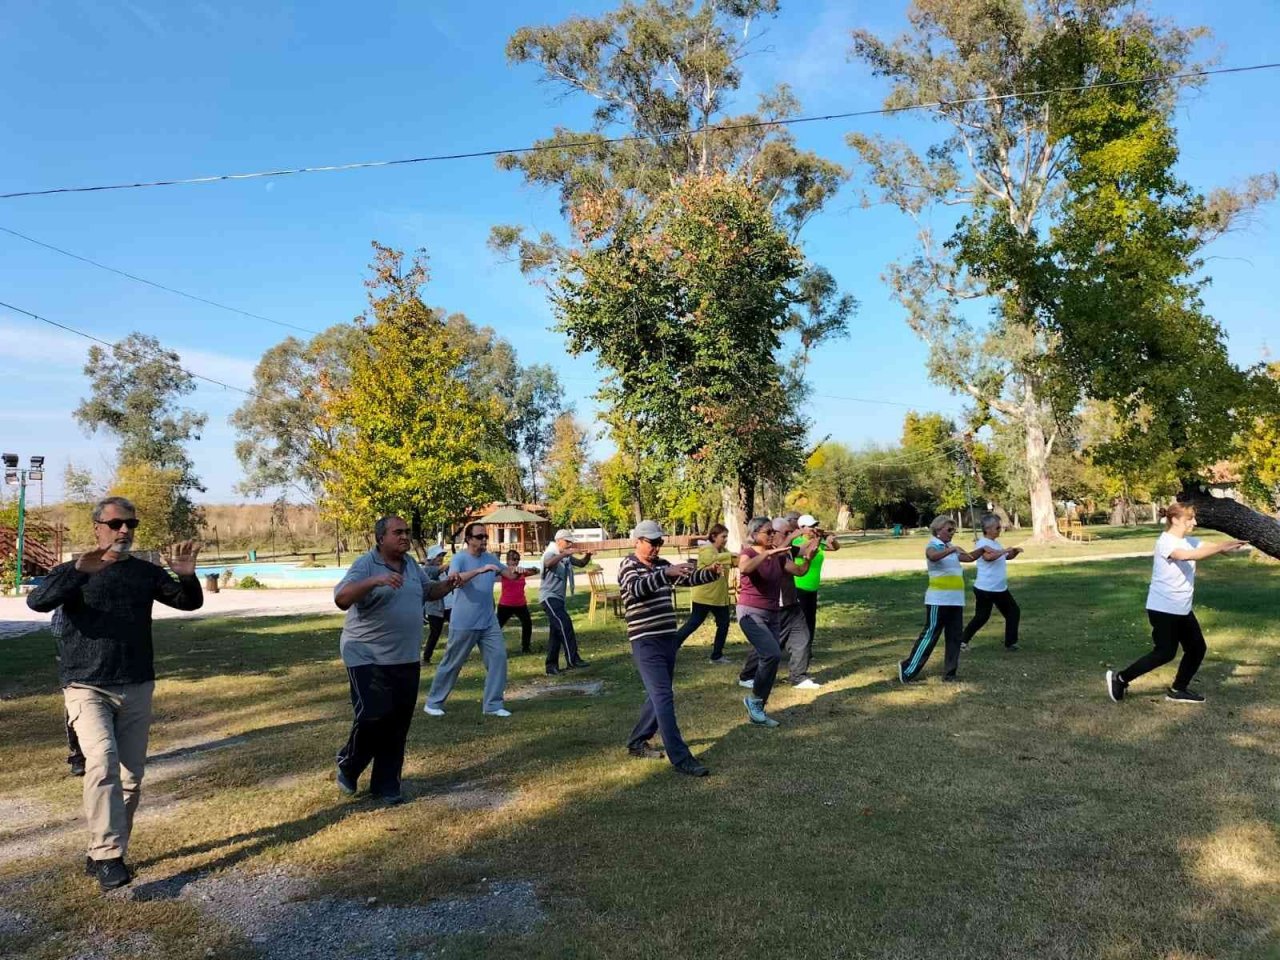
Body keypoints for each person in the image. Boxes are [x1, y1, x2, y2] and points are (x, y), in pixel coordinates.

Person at [26, 496, 203, 892]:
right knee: (102, 761)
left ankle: (101, 849)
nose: (124, 530)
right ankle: (109, 856)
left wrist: (187, 577)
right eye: (116, 523)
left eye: (131, 524)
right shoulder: (75, 569)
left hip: (137, 683)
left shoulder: (143, 572)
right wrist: (76, 571)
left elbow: (187, 602)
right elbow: (38, 602)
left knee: (131, 779)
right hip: (86, 684)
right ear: (97, 528)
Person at [334, 516, 456, 804]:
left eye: (407, 532)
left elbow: (428, 592)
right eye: (397, 532)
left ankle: (387, 785)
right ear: (380, 538)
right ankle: (349, 765)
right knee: (375, 713)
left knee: (398, 721)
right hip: (365, 653)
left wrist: (449, 584)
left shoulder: (412, 564)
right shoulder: (366, 564)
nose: (404, 537)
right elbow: (341, 599)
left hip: (404, 656)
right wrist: (375, 579)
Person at [1106, 503, 1246, 704]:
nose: (1194, 523)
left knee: (1197, 648)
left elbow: (1204, 548)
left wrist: (1230, 545)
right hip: (1163, 608)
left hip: (1182, 608)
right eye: (1190, 519)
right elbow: (1188, 555)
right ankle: (1120, 678)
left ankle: (1178, 689)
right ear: (1175, 520)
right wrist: (1219, 547)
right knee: (1164, 653)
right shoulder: (1166, 542)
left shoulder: (1188, 541)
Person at [619, 520, 723, 776]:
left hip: (668, 640)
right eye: (652, 542)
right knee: (663, 696)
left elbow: (688, 579)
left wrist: (710, 573)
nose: (657, 547)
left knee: (658, 695)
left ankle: (637, 742)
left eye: (660, 542)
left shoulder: (663, 566)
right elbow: (636, 589)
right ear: (638, 541)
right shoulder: (629, 565)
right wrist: (666, 574)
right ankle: (680, 757)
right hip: (645, 641)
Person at [424, 523, 523, 718]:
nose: (483, 540)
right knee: (452, 663)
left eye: (485, 536)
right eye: (479, 537)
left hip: (488, 621)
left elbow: (509, 575)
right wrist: (479, 571)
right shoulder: (460, 558)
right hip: (464, 622)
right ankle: (433, 703)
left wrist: (519, 571)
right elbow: (454, 580)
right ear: (468, 539)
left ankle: (493, 705)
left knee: (498, 659)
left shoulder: (490, 558)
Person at [733, 517, 810, 727]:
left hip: (772, 614)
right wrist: (766, 554)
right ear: (755, 533)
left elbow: (800, 571)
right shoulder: (748, 553)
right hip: (750, 613)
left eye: (772, 533)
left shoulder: (778, 556)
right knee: (772, 653)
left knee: (772, 659)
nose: (772, 536)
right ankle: (754, 701)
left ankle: (757, 705)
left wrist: (809, 557)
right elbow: (746, 569)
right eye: (768, 532)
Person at [899, 515, 979, 684]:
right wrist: (952, 549)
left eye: (954, 530)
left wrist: (982, 548)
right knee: (930, 636)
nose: (952, 533)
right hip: (938, 600)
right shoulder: (933, 545)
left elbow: (969, 558)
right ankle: (907, 669)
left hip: (955, 601)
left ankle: (950, 674)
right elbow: (933, 556)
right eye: (949, 530)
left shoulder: (949, 546)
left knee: (954, 638)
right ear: (938, 530)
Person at [674, 523, 735, 663]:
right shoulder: (706, 549)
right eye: (723, 536)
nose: (725, 539)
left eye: (726, 536)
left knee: (724, 624)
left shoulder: (723, 550)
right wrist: (733, 555)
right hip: (704, 596)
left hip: (719, 597)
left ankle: (717, 655)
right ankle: (672, 646)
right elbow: (715, 560)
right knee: (693, 624)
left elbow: (733, 559)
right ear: (713, 536)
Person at [961, 515, 1023, 651]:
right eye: (997, 527)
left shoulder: (996, 543)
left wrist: (1014, 552)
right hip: (986, 589)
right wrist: (1004, 550)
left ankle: (1010, 643)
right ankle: (962, 641)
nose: (1000, 529)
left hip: (1000, 588)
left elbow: (1006, 557)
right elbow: (988, 557)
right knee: (982, 617)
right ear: (987, 529)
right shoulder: (982, 544)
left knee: (1013, 612)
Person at [539, 529, 593, 675]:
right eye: (567, 541)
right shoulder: (550, 552)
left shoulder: (565, 556)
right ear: (559, 541)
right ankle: (573, 659)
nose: (570, 544)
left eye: (571, 542)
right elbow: (548, 563)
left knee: (556, 632)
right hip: (549, 597)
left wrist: (588, 555)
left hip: (559, 598)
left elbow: (581, 563)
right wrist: (564, 554)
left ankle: (551, 667)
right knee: (565, 624)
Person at [792, 514, 840, 663]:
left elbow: (835, 548)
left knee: (811, 620)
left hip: (813, 588)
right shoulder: (797, 541)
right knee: (802, 622)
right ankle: (799, 651)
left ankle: (808, 650)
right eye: (811, 526)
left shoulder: (817, 541)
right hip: (799, 586)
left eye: (815, 526)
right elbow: (806, 551)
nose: (814, 529)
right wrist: (818, 538)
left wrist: (832, 539)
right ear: (801, 528)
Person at [497, 549, 537, 654]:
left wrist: (530, 569)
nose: (516, 562)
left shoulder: (521, 571)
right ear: (508, 560)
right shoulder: (505, 571)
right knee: (496, 627)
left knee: (527, 624)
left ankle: (526, 647)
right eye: (513, 559)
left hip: (520, 604)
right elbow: (506, 573)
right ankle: (494, 648)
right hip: (505, 604)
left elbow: (536, 570)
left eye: (518, 559)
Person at [421, 545, 450, 665]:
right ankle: (426, 658)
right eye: (439, 556)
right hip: (435, 608)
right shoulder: (427, 570)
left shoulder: (441, 569)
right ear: (432, 557)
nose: (441, 558)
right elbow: (439, 570)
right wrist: (457, 560)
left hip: (448, 607)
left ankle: (453, 655)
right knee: (435, 634)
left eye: (442, 556)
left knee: (457, 630)